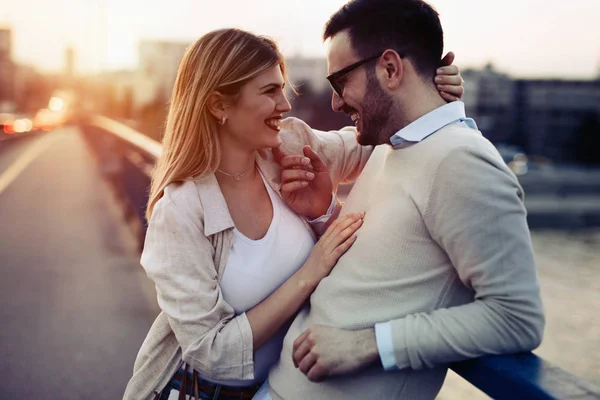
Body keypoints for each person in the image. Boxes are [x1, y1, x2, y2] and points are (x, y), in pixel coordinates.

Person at [122, 28, 464, 400]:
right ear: (219, 105)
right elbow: (212, 352)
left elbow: (376, 139)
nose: (284, 105)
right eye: (269, 92)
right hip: (204, 392)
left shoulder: (289, 146)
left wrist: (427, 95)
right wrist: (309, 272)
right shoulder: (180, 211)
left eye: (281, 88)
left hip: (282, 388)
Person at [264, 1, 545, 399]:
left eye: (339, 83)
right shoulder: (390, 142)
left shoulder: (463, 163)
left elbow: (517, 319)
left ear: (391, 69)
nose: (335, 103)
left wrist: (371, 344)